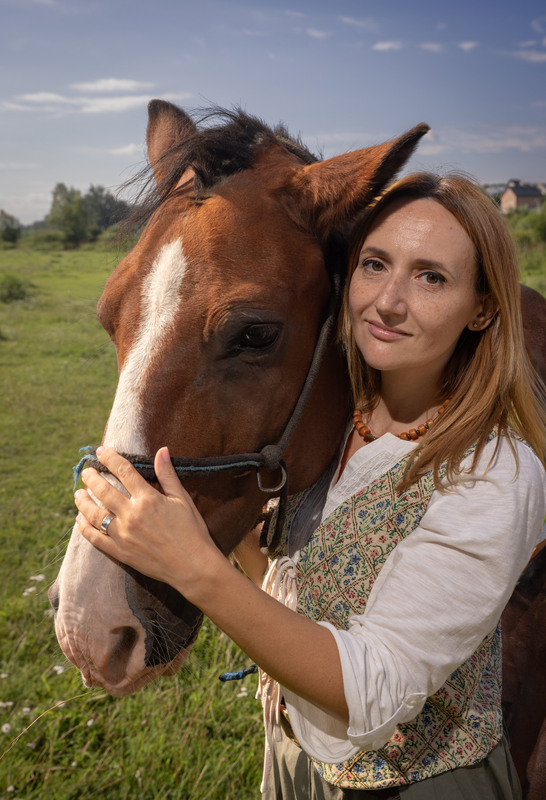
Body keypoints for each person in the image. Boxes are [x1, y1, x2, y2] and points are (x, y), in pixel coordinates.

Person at [75, 172, 546, 800]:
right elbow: (297, 579)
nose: (389, 302)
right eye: (375, 264)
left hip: (417, 783)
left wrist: (193, 568)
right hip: (293, 759)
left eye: (431, 277)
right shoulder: (333, 423)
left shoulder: (496, 472)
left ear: (484, 306)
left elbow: (377, 687)